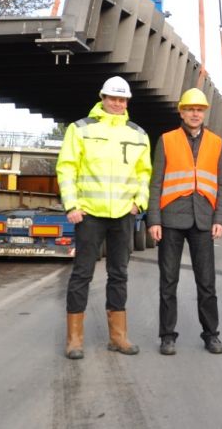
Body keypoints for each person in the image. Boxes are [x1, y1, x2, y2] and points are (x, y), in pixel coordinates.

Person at [57, 76, 152, 360]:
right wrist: (71, 205)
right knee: (82, 274)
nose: (117, 103)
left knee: (119, 274)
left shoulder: (139, 134)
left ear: (127, 102)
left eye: (122, 99)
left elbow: (144, 173)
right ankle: (74, 340)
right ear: (103, 98)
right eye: (113, 98)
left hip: (123, 214)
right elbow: (67, 168)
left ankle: (118, 337)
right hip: (89, 214)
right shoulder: (80, 129)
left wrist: (139, 203)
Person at [147, 88, 222, 355]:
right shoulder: (166, 140)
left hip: (203, 220)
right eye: (190, 109)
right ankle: (167, 336)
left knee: (207, 283)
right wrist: (154, 219)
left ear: (204, 113)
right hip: (171, 219)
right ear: (181, 112)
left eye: (199, 110)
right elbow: (156, 182)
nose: (195, 114)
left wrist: (220, 218)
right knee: (168, 281)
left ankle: (211, 335)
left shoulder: (216, 143)